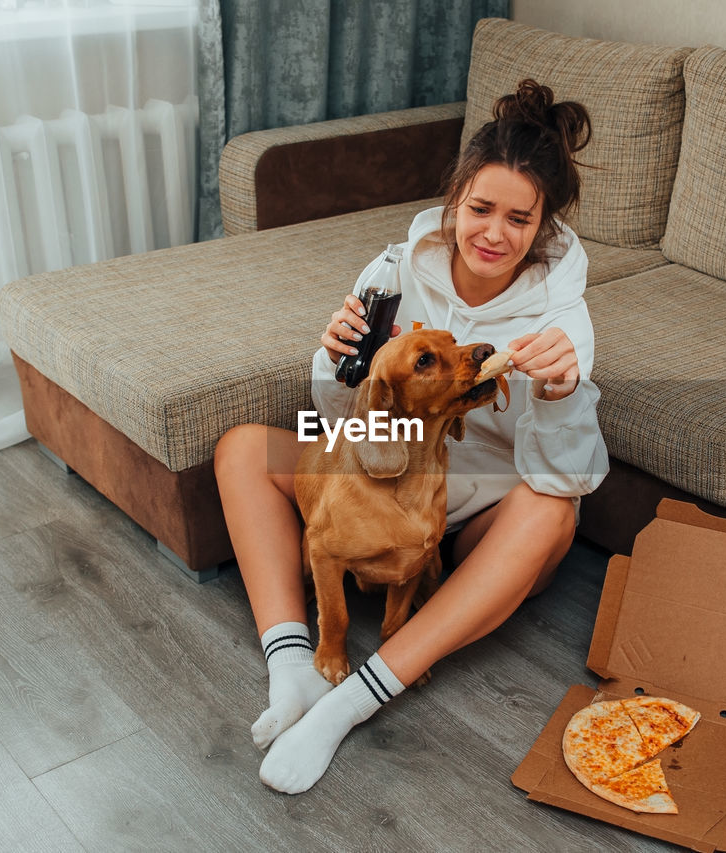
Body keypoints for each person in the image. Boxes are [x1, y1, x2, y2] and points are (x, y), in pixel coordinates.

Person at [214, 79, 609, 794]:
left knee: (553, 514)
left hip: (475, 517)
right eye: (481, 208)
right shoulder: (394, 274)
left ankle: (353, 701)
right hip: (379, 481)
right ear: (455, 199)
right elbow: (339, 423)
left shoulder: (561, 319)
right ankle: (292, 667)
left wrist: (559, 393)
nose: (494, 232)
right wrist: (335, 365)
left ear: (543, 225)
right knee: (243, 446)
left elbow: (566, 477)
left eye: (519, 219)